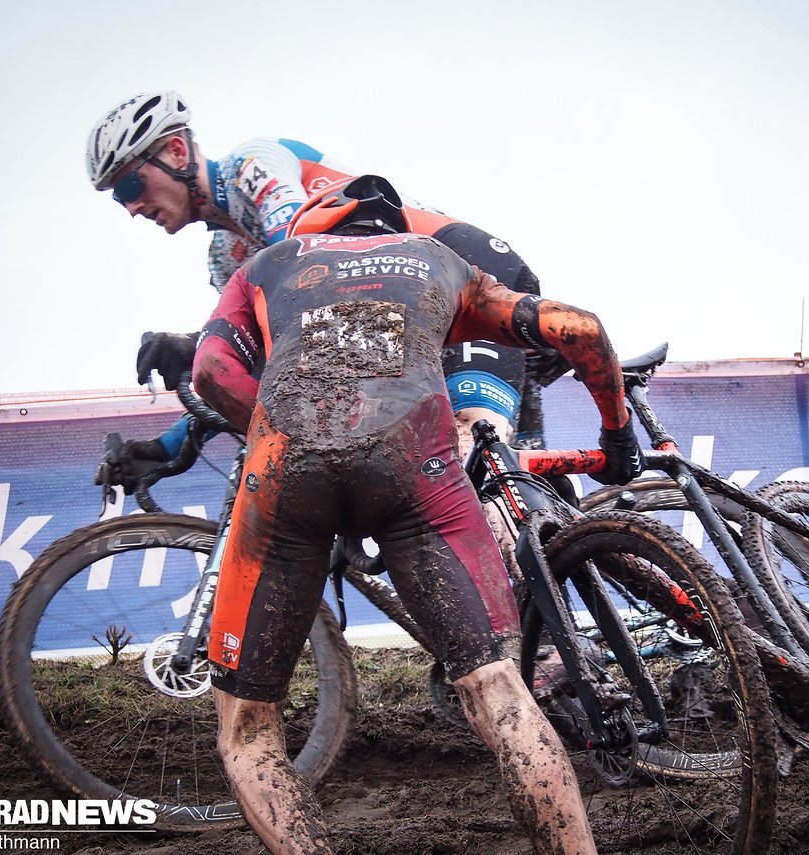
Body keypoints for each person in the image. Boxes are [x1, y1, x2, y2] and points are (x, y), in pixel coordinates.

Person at [191, 174, 643, 855]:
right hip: (415, 468)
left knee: (249, 728)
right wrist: (616, 434)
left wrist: (288, 434)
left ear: (311, 231)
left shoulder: (267, 264)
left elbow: (211, 375)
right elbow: (579, 329)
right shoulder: (439, 260)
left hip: (285, 473)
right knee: (499, 690)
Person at [85, 91, 556, 469]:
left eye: (130, 185)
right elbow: (259, 357)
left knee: (471, 455)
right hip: (402, 318)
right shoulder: (226, 257)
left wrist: (193, 341)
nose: (130, 207)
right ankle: (580, 548)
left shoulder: (252, 164)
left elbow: (302, 272)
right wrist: (168, 447)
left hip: (463, 277)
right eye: (117, 199)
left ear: (175, 150)